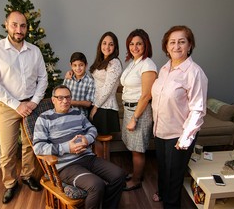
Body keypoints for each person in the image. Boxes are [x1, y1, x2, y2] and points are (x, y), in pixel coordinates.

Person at [0, 10, 47, 204]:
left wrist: (34, 102)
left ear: (27, 28)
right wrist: (16, 104)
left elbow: (43, 78)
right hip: (8, 106)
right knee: (8, 149)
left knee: (29, 145)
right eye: (15, 25)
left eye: (23, 26)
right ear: (6, 25)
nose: (19, 30)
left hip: (31, 104)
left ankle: (27, 176)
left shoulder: (34, 51)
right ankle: (10, 183)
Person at [33, 85, 126, 209]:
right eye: (60, 98)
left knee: (119, 175)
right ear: (53, 100)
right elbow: (38, 147)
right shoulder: (44, 118)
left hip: (88, 157)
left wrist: (87, 139)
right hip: (66, 165)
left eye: (67, 97)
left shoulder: (77, 113)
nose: (65, 101)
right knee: (96, 185)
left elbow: (92, 129)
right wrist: (67, 148)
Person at [151, 25, 208, 208]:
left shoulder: (195, 72)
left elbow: (197, 109)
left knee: (174, 175)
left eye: (182, 42)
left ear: (189, 45)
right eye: (172, 42)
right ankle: (163, 193)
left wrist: (185, 139)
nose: (177, 46)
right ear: (166, 47)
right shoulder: (164, 69)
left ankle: (171, 204)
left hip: (179, 133)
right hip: (160, 129)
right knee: (162, 168)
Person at [120, 29, 157, 191]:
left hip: (139, 112)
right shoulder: (133, 63)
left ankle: (136, 181)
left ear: (146, 45)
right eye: (132, 44)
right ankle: (136, 173)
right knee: (133, 147)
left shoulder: (148, 64)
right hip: (130, 109)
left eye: (139, 44)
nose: (135, 47)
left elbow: (146, 95)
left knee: (138, 150)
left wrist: (135, 118)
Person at [89, 31, 122, 135]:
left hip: (105, 108)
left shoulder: (114, 63)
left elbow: (107, 88)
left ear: (115, 47)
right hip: (97, 104)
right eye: (104, 43)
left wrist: (95, 107)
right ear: (100, 45)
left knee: (103, 143)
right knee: (94, 141)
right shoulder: (100, 61)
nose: (107, 47)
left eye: (111, 44)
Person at [63, 52, 95, 117]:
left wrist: (71, 102)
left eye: (81, 65)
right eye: (75, 65)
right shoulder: (68, 78)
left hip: (80, 116)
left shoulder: (90, 82)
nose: (78, 68)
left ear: (86, 65)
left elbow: (88, 103)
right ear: (71, 65)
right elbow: (62, 94)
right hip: (65, 114)